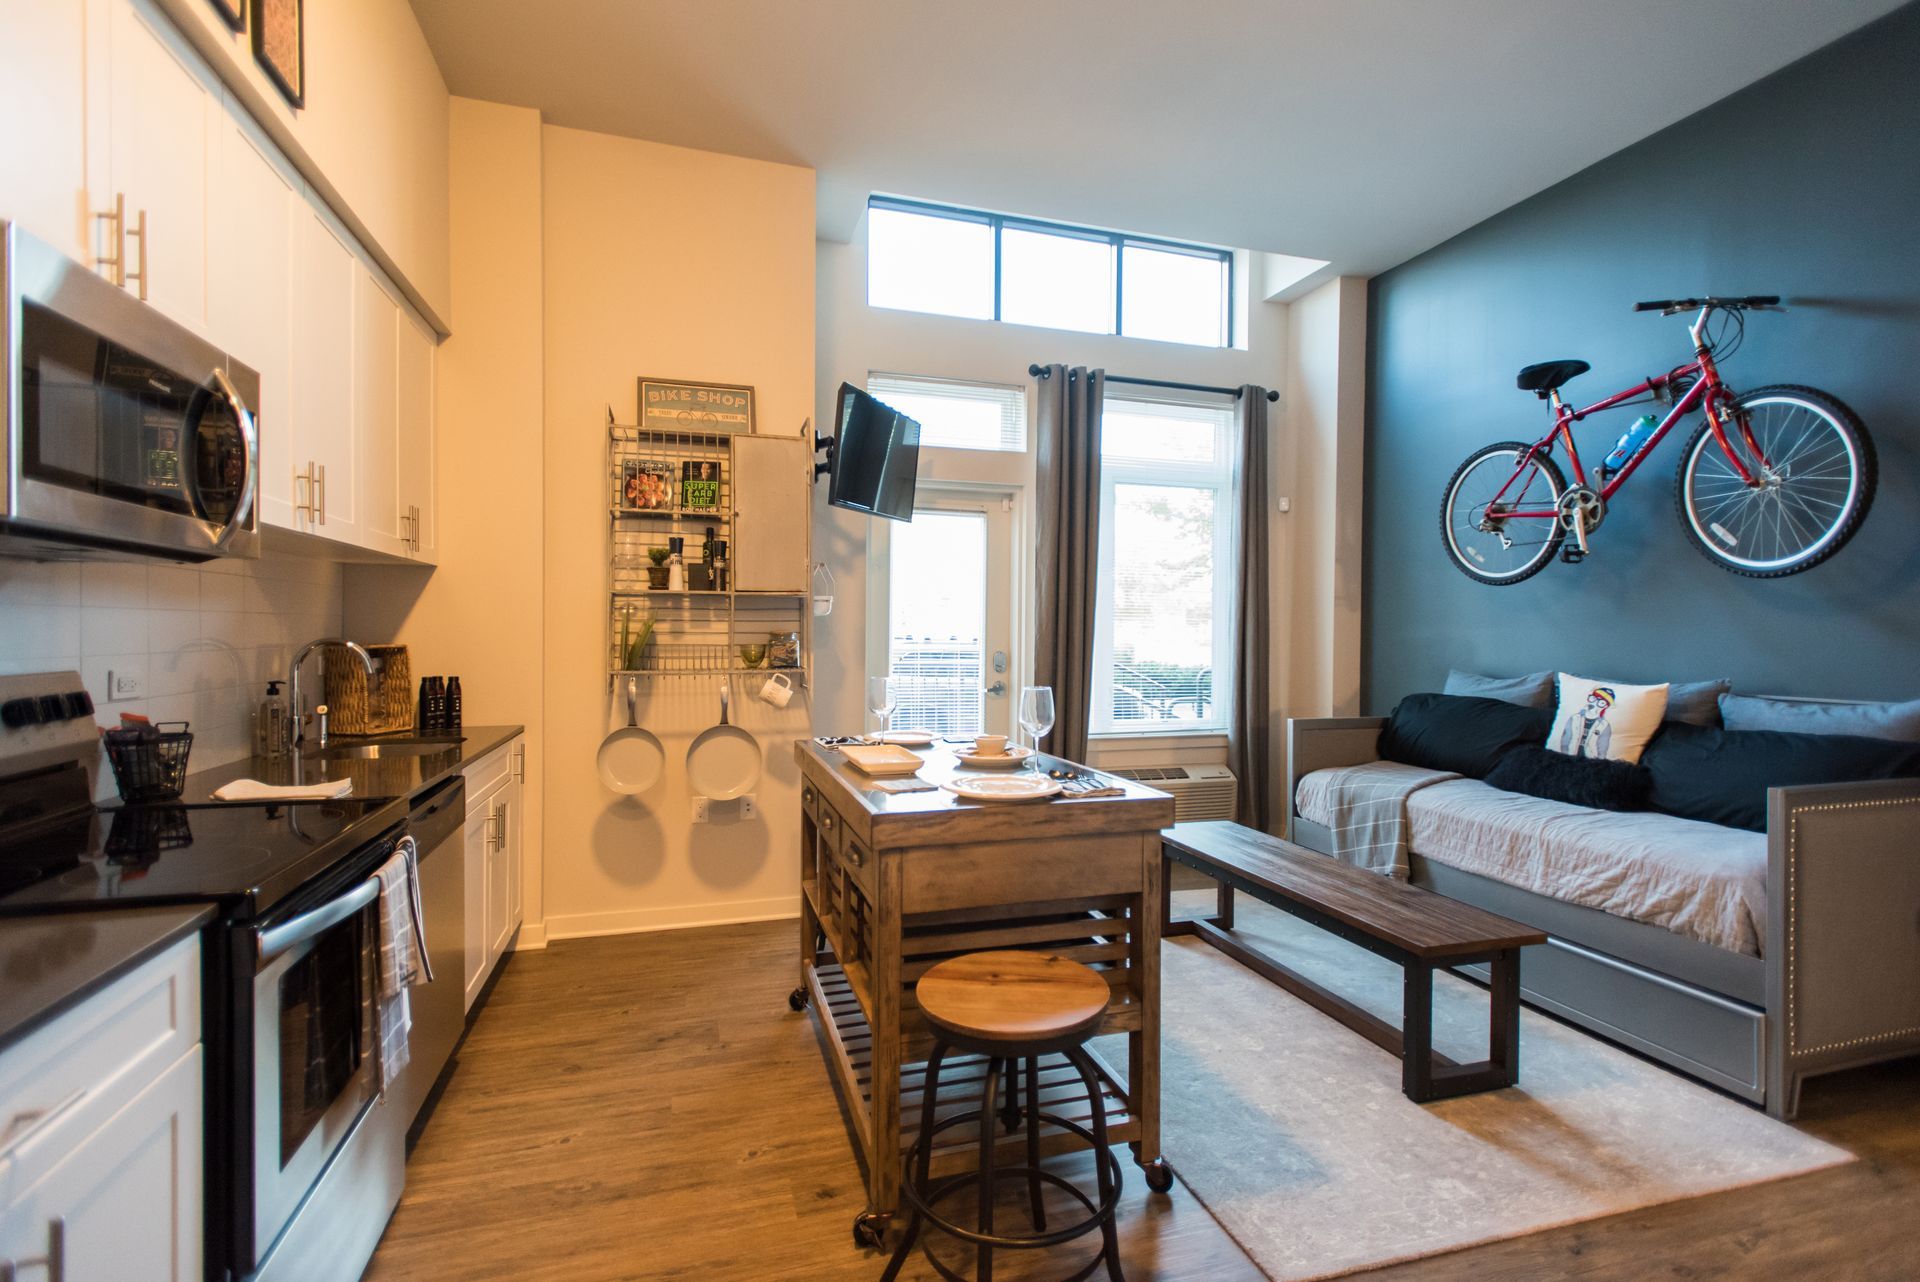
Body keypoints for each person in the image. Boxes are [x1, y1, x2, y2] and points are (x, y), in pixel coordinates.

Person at [1557, 686, 1615, 759]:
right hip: (1570, 757)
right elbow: (1565, 740)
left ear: (1605, 706)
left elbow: (1602, 748)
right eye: (1593, 699)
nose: (1594, 703)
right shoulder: (1575, 718)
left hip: (1590, 760)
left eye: (1601, 702)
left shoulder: (1604, 725)